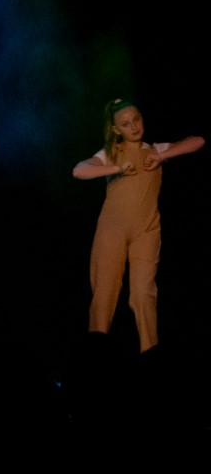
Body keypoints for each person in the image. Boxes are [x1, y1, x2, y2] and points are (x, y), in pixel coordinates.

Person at [71, 98, 204, 353]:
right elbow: (79, 170)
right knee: (104, 294)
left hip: (146, 230)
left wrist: (162, 156)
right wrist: (116, 168)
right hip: (112, 230)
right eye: (125, 124)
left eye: (136, 119)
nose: (133, 127)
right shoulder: (110, 153)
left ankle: (150, 352)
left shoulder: (155, 149)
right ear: (116, 129)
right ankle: (95, 357)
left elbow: (197, 141)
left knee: (144, 294)